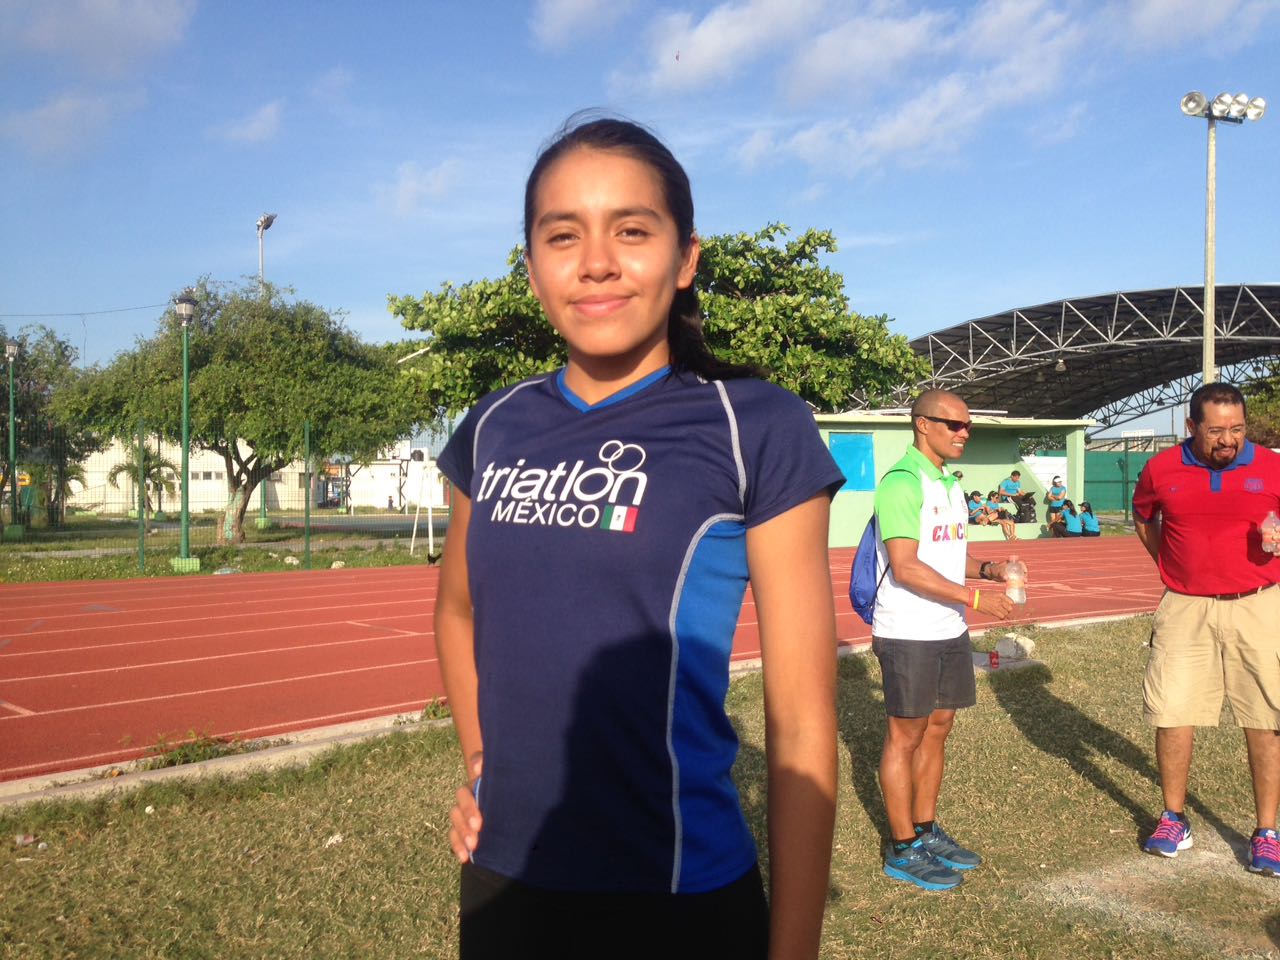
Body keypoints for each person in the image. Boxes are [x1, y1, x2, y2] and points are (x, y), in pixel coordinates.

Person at [437, 116, 845, 959]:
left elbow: (804, 723)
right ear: (530, 267)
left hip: (679, 899)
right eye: (563, 235)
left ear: (686, 258)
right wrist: (482, 764)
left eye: (631, 230)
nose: (596, 262)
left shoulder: (757, 427)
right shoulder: (492, 426)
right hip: (506, 884)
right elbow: (457, 611)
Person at [1131, 382, 1280, 877]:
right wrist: (1171, 565)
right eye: (1216, 431)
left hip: (1258, 604)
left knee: (1266, 715)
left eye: (1237, 429)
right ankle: (1174, 818)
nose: (1228, 440)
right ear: (1191, 426)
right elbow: (1144, 516)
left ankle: (1267, 832)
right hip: (1185, 607)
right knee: (1172, 711)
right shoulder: (1161, 468)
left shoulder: (1272, 466)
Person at [870, 389, 1017, 890]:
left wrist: (988, 569)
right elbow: (906, 567)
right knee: (905, 736)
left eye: (967, 425)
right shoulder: (902, 483)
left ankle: (926, 829)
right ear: (922, 424)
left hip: (948, 628)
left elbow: (948, 553)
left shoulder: (950, 484)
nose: (964, 433)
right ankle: (902, 847)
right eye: (954, 424)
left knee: (939, 727)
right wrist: (976, 600)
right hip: (908, 630)